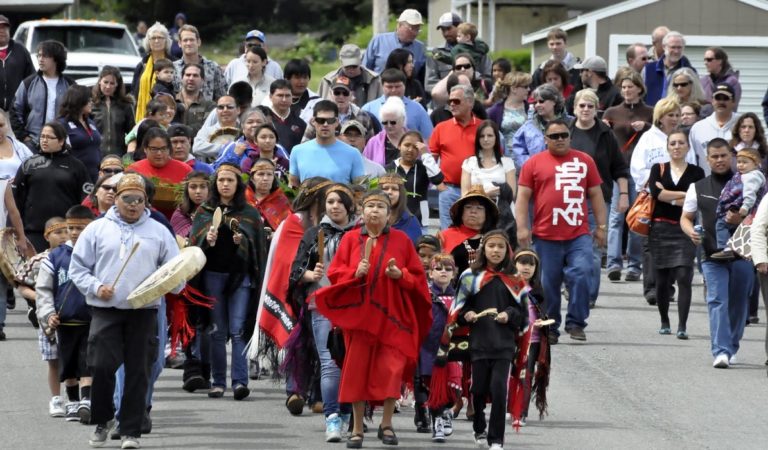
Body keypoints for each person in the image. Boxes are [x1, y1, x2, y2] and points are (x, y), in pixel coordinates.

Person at [69, 173, 180, 449]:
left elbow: (176, 272)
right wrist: (96, 287)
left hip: (144, 310)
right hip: (106, 309)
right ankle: (102, 419)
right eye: (127, 198)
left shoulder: (158, 231)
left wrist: (172, 282)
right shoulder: (96, 229)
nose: (133, 205)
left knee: (138, 370)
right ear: (115, 199)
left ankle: (130, 430)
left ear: (146, 202)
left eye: (139, 200)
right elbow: (77, 268)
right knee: (101, 365)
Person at [314, 190, 432, 449]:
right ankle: (356, 429)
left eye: (381, 206)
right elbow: (335, 273)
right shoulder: (350, 239)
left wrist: (399, 274)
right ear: (362, 211)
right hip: (360, 321)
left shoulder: (401, 241)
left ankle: (386, 425)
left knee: (391, 371)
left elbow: (418, 278)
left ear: (389, 214)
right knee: (356, 374)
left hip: (394, 319)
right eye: (370, 206)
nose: (375, 211)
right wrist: (354, 272)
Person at [515, 119, 607, 342]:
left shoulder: (585, 161)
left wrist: (602, 227)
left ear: (570, 137)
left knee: (583, 273)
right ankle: (551, 326)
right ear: (545, 140)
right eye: (554, 136)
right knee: (548, 283)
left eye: (564, 135)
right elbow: (523, 197)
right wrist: (522, 228)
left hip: (578, 234)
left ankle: (576, 323)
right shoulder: (533, 163)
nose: (560, 139)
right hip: (545, 235)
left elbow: (596, 194)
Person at [188, 163, 266, 400]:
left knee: (238, 329)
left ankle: (240, 382)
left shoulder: (250, 213)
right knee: (217, 332)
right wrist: (207, 240)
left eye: (230, 180)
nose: (225, 184)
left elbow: (257, 247)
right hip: (212, 276)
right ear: (215, 183)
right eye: (221, 180)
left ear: (238, 184)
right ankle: (218, 381)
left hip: (240, 277)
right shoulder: (205, 210)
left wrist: (242, 242)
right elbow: (194, 245)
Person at [289, 183, 357, 442]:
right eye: (330, 202)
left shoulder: (361, 234)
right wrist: (310, 274)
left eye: (340, 202)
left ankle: (350, 414)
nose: (335, 206)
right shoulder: (315, 234)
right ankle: (332, 418)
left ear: (350, 206)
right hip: (322, 304)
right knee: (330, 364)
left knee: (352, 363)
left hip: (355, 308)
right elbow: (296, 270)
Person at [680, 138, 753, 368]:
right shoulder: (698, 187)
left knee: (739, 304)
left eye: (723, 155)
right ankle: (720, 350)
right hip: (711, 254)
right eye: (715, 156)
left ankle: (731, 345)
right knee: (717, 300)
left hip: (743, 253)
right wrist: (691, 232)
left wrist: (741, 217)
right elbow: (685, 217)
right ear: (707, 158)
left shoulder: (749, 183)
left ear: (731, 156)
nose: (720, 160)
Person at [454, 230, 527, 450]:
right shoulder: (469, 276)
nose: (496, 251)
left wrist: (509, 315)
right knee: (478, 390)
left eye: (501, 247)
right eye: (491, 246)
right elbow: (457, 309)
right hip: (478, 343)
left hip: (504, 344)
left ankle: (496, 440)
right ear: (483, 250)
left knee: (498, 390)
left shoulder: (515, 279)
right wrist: (466, 314)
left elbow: (523, 314)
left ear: (507, 251)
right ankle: (479, 428)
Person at [569, 89, 629, 307]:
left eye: (590, 106)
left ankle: (589, 296)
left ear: (596, 109)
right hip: (567, 201)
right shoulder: (565, 132)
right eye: (582, 105)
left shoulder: (605, 134)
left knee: (593, 250)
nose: (585, 110)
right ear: (574, 108)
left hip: (597, 201)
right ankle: (573, 286)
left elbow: (620, 168)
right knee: (569, 249)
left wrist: (623, 195)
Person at [35, 205, 95, 424]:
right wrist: (48, 314)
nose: (75, 233)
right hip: (65, 321)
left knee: (87, 361)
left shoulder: (98, 252)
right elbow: (43, 289)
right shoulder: (55, 257)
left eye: (81, 228)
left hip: (92, 318)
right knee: (68, 365)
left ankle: (86, 401)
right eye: (71, 228)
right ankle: (72, 402)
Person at [647, 131, 705, 337]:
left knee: (684, 276)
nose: (677, 146)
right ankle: (664, 321)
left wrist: (669, 196)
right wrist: (683, 195)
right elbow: (656, 193)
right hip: (661, 228)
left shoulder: (697, 172)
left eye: (681, 143)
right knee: (662, 280)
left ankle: (682, 326)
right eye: (673, 143)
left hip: (685, 227)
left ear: (688, 147)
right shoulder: (658, 168)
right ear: (667, 147)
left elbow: (697, 197)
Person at [603, 71, 653, 282]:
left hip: (642, 172)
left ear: (639, 89)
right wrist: (603, 126)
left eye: (630, 87)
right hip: (618, 170)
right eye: (623, 87)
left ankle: (634, 265)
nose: (626, 91)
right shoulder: (612, 111)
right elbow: (602, 137)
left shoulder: (650, 112)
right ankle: (614, 263)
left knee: (637, 218)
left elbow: (660, 134)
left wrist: (647, 127)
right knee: (616, 217)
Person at [13, 218, 67, 408]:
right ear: (46, 236)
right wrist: (40, 297)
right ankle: (56, 398)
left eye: (66, 232)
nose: (63, 236)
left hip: (70, 316)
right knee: (53, 360)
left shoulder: (75, 257)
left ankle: (76, 398)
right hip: (46, 318)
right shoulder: (38, 260)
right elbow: (21, 285)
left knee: (72, 357)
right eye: (57, 232)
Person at [13, 121, 89, 251]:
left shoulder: (76, 166)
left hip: (65, 232)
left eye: (50, 137)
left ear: (61, 141)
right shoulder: (29, 164)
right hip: (34, 232)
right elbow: (16, 198)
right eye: (42, 136)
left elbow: (85, 199)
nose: (44, 140)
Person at [431, 84, 482, 230]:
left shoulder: (484, 127)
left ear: (470, 102)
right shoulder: (441, 128)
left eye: (457, 101)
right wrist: (440, 186)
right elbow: (431, 161)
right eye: (450, 101)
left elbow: (495, 158)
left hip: (477, 190)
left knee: (476, 234)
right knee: (449, 235)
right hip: (449, 190)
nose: (452, 104)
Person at [11, 40, 75, 152]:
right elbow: (15, 110)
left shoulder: (69, 85)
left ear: (56, 59)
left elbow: (78, 113)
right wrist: (23, 137)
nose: (40, 59)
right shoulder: (28, 83)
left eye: (45, 56)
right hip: (33, 144)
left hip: (61, 144)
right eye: (39, 55)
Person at [289, 100, 364, 186]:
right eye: (321, 120)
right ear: (313, 121)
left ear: (336, 122)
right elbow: (293, 186)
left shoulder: (353, 153)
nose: (325, 124)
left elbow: (360, 190)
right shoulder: (297, 151)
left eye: (330, 120)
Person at [711, 148, 765, 259]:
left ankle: (725, 248)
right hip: (738, 207)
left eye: (745, 162)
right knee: (732, 228)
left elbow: (750, 194)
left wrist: (745, 207)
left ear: (755, 164)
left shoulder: (752, 176)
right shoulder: (742, 175)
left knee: (721, 224)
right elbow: (730, 187)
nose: (741, 165)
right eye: (739, 162)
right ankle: (729, 248)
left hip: (743, 208)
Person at [128, 127, 193, 218]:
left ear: (169, 149)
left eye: (163, 149)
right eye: (154, 149)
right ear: (145, 149)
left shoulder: (185, 170)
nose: (159, 153)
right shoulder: (134, 170)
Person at [385, 130, 443, 228]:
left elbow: (438, 179)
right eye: (407, 145)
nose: (410, 149)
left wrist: (425, 154)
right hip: (392, 222)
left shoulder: (424, 168)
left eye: (415, 147)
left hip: (419, 222)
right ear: (399, 146)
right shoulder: (388, 169)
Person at [438, 186, 500, 277]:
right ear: (461, 212)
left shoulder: (496, 238)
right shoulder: (445, 236)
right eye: (468, 207)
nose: (473, 211)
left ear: (487, 214)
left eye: (479, 208)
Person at [511, 83, 571, 171]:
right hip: (537, 175)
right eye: (535, 102)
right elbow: (518, 150)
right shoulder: (529, 126)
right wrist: (533, 167)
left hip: (566, 172)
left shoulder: (571, 123)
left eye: (541, 101)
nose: (537, 105)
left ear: (554, 101)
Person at [362, 69, 433, 139]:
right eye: (389, 87)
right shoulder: (369, 109)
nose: (394, 90)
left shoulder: (417, 109)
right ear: (382, 86)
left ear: (404, 86)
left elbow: (428, 137)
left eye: (397, 86)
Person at [690, 83, 741, 176]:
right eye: (718, 98)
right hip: (706, 183)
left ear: (733, 101)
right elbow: (691, 159)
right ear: (712, 101)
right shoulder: (698, 128)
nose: (721, 102)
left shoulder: (742, 124)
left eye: (725, 98)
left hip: (738, 185)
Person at [461, 120, 516, 204]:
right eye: (482, 136)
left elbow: (512, 194)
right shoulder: (469, 163)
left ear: (496, 138)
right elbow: (464, 194)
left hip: (503, 212)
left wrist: (479, 194)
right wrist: (487, 194)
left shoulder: (508, 163)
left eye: (490, 135)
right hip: (477, 210)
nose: (486, 139)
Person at [57, 85, 102, 182]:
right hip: (73, 176)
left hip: (94, 175)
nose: (91, 103)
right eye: (88, 100)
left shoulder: (90, 122)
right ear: (78, 101)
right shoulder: (62, 124)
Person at [363, 9, 427, 77]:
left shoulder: (420, 48)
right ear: (399, 25)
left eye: (417, 29)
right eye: (411, 28)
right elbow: (365, 69)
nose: (415, 33)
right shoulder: (379, 41)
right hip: (380, 85)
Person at [132, 22, 174, 123]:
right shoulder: (142, 64)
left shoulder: (174, 64)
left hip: (166, 117)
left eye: (160, 38)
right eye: (153, 38)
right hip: (142, 117)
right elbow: (134, 92)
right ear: (148, 42)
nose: (156, 41)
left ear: (166, 41)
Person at [172, 25, 226, 102]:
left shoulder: (213, 67)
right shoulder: (172, 68)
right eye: (185, 40)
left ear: (199, 42)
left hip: (207, 112)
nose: (188, 43)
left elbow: (222, 97)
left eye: (192, 40)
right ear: (179, 43)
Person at [91, 66, 136, 157]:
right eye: (105, 82)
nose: (108, 86)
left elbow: (132, 133)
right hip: (96, 155)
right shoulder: (91, 104)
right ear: (100, 81)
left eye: (112, 83)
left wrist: (129, 155)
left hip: (119, 155)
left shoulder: (126, 105)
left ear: (117, 85)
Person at [642, 31, 695, 106]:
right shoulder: (648, 70)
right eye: (673, 47)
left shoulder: (690, 72)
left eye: (679, 47)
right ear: (664, 47)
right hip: (651, 115)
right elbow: (640, 95)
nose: (676, 51)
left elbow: (695, 98)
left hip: (679, 115)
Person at [486, 72, 531, 155]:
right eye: (525, 87)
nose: (529, 89)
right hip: (504, 159)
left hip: (527, 157)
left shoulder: (531, 109)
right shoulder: (494, 111)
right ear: (513, 89)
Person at [245, 158, 293, 234]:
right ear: (252, 178)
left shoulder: (280, 200)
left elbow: (288, 229)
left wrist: (275, 236)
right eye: (260, 174)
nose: (265, 178)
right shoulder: (243, 198)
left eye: (269, 174)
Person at [0, 14, 35, 113]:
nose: (2, 30)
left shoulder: (20, 50)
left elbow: (32, 78)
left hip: (16, 111)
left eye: (5, 27)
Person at [193, 95, 241, 160]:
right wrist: (225, 147)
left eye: (229, 107)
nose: (225, 110)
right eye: (221, 107)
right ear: (216, 111)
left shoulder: (244, 131)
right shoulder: (206, 131)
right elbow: (196, 148)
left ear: (238, 110)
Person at [264, 79, 306, 154]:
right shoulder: (263, 120)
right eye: (280, 95)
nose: (284, 99)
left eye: (287, 96)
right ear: (270, 97)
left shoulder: (301, 123)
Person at [363, 96, 407, 166]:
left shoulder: (413, 139)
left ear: (402, 120)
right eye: (385, 123)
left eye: (393, 122)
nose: (389, 125)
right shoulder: (373, 142)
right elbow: (365, 166)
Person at [380, 172, 422, 242]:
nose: (389, 192)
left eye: (394, 189)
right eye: (385, 188)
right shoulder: (371, 219)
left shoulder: (410, 221)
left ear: (400, 193)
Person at [176, 63, 216, 136]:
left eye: (195, 75)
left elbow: (206, 129)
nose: (191, 78)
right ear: (181, 78)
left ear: (203, 80)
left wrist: (177, 130)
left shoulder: (210, 106)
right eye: (188, 75)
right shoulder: (170, 101)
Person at [0, 109, 33, 179]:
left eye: (1, 125)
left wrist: (19, 180)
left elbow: (34, 171)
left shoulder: (21, 148)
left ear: (7, 125)